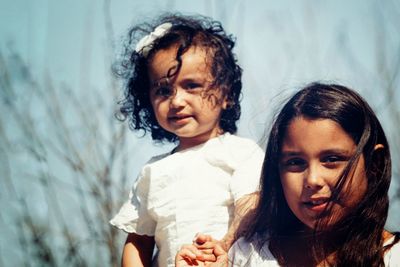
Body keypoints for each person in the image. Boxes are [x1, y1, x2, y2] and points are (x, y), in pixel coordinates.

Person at [176, 83, 400, 266]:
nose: (312, 180)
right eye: (295, 163)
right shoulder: (250, 255)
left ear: (374, 165)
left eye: (331, 160)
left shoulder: (393, 258)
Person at [110, 13, 264, 267]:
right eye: (163, 90)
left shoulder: (241, 152)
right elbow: (138, 243)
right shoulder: (153, 172)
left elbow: (251, 206)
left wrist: (223, 245)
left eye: (191, 85)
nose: (177, 101)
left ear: (225, 93)